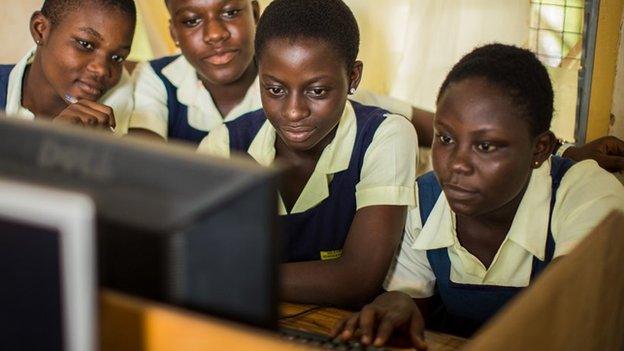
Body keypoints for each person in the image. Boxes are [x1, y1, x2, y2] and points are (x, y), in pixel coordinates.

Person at [334, 44, 624, 349]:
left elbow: (569, 316)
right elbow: (410, 302)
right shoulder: (423, 202)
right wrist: (395, 302)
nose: (457, 163)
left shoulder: (587, 195)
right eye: (445, 138)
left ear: (539, 149)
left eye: (485, 146)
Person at [198, 0, 417, 306]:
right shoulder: (225, 144)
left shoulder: (384, 136)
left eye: (317, 91)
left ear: (353, 78)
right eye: (275, 89)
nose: (294, 111)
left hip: (344, 328)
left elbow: (358, 278)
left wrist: (232, 277)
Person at [127, 0, 433, 147]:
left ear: (255, 13)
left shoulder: (297, 81)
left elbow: (411, 119)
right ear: (174, 33)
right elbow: (146, 168)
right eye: (192, 20)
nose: (215, 34)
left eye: (231, 12)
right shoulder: (156, 79)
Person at [0, 0, 136, 135]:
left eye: (117, 58)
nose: (101, 70)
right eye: (85, 44)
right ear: (40, 29)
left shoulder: (126, 105)